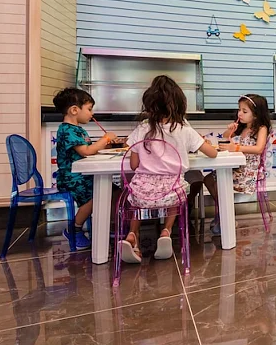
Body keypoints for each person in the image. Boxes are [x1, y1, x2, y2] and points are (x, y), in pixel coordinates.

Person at [121, 75, 219, 263]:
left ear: (149, 106)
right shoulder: (184, 129)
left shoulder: (142, 129)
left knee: (135, 196)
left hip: (143, 194)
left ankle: (133, 234)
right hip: (171, 193)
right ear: (180, 104)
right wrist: (199, 140)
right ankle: (166, 231)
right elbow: (212, 153)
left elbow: (133, 165)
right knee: (177, 192)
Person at [189, 94, 271, 236]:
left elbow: (259, 149)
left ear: (256, 114)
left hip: (248, 171)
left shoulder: (261, 128)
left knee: (218, 181)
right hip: (236, 166)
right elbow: (226, 137)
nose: (240, 114)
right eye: (239, 110)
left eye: (244, 111)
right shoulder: (242, 128)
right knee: (208, 179)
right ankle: (225, 213)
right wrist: (230, 129)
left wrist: (236, 148)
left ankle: (224, 216)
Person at [53, 88, 117, 250]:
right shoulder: (67, 130)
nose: (92, 114)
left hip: (83, 174)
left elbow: (90, 150)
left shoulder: (78, 130)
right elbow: (86, 151)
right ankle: (74, 229)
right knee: (96, 196)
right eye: (89, 109)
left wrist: (109, 145)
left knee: (113, 191)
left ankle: (107, 226)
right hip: (71, 177)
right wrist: (105, 138)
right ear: (74, 110)